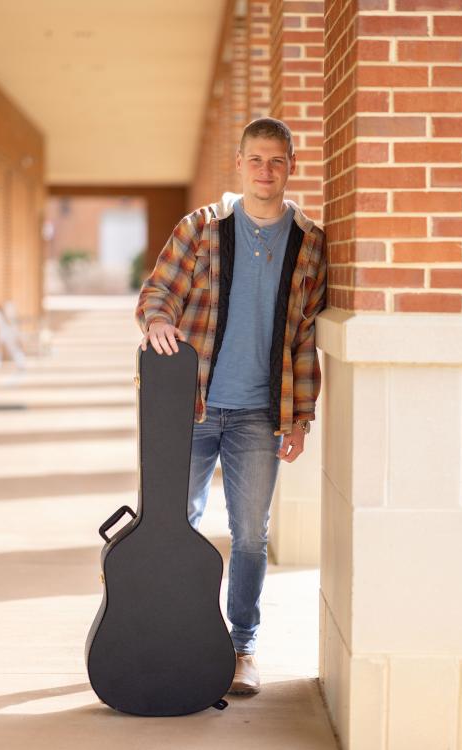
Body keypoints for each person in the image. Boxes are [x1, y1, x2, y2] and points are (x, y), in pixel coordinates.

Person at [135, 117, 327, 696]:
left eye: (277, 161)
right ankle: (168, 633)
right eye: (255, 160)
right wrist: (160, 320)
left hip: (259, 415)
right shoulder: (202, 228)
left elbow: (303, 337)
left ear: (290, 166)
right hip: (189, 408)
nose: (265, 171)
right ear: (239, 165)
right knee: (174, 523)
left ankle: (242, 647)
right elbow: (158, 290)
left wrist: (301, 415)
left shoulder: (310, 242)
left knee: (248, 534)